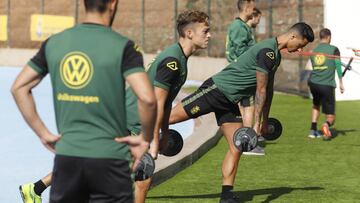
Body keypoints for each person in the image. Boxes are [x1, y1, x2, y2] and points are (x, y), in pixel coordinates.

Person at [13, 0, 157, 202]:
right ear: (113, 4)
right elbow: (148, 99)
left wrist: (43, 134)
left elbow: (19, 87)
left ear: (84, 3)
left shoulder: (55, 43)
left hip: (67, 157)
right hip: (111, 159)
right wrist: (145, 139)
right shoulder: (124, 47)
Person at [169, 22, 314, 203]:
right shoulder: (267, 52)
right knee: (170, 118)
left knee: (237, 146)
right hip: (216, 90)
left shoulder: (275, 56)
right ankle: (136, 130)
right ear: (293, 37)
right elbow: (260, 90)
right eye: (300, 45)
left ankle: (227, 196)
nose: (299, 50)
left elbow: (268, 92)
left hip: (230, 100)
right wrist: (255, 123)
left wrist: (264, 121)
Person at [127, 10, 211, 203]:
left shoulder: (180, 58)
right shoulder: (172, 61)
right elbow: (156, 102)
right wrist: (155, 140)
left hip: (137, 120)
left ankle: (41, 186)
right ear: (189, 33)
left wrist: (164, 131)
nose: (209, 35)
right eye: (205, 31)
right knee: (139, 177)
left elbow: (165, 103)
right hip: (130, 120)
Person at [308, 28, 345, 140]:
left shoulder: (313, 51)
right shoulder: (334, 49)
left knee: (316, 105)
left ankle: (313, 130)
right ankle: (326, 125)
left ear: (320, 37)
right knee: (331, 116)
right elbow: (338, 66)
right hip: (327, 85)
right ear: (329, 37)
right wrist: (341, 82)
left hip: (314, 83)